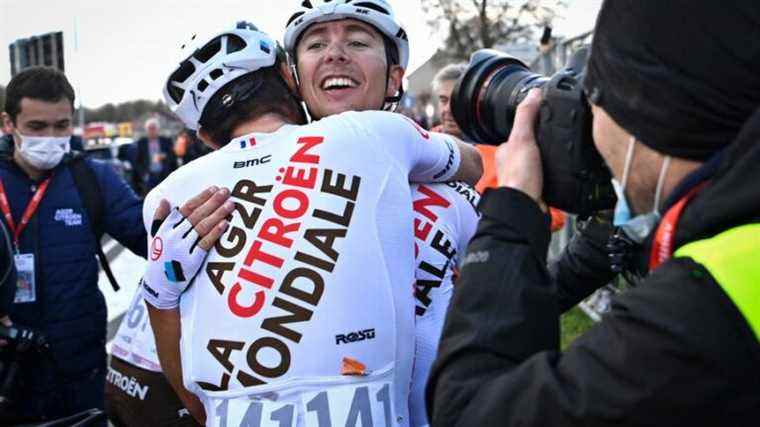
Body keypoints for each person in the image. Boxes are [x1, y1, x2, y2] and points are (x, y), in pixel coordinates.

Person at [427, 1, 760, 425]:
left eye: (593, 101)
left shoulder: (703, 310)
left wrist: (511, 210)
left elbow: (470, 412)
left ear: (650, 119)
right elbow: (596, 255)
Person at [143, 22, 481, 427]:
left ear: (204, 135)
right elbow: (470, 164)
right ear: (290, 77)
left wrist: (158, 294)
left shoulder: (168, 196)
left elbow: (197, 405)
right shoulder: (374, 130)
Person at [282, 2, 481, 425]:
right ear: (296, 82)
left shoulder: (454, 192)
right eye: (316, 44)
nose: (336, 53)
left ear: (394, 78)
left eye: (357, 41)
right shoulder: (251, 188)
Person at [0, 66, 147, 423]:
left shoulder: (91, 177)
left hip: (80, 372)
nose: (50, 137)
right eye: (37, 127)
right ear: (8, 124)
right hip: (8, 375)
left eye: (61, 126)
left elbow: (152, 236)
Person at [133, 118, 177, 196]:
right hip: (149, 177)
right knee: (151, 198)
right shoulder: (141, 143)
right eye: (150, 128)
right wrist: (144, 175)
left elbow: (173, 157)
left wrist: (165, 156)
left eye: (154, 128)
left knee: (167, 197)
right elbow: (137, 162)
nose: (152, 131)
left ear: (157, 129)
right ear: (146, 130)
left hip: (164, 175)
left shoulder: (166, 141)